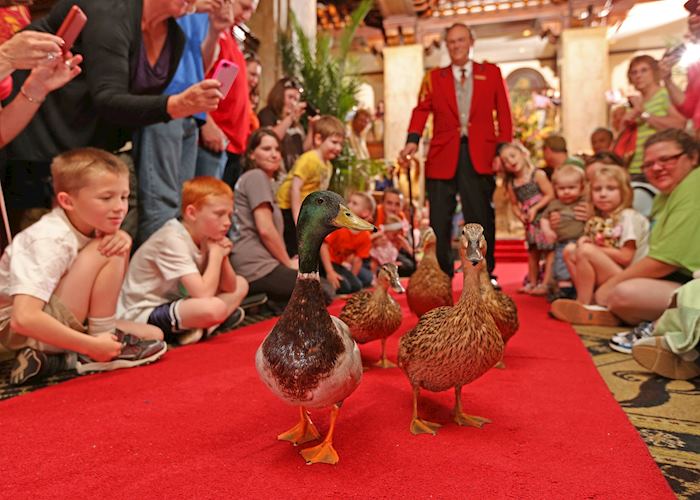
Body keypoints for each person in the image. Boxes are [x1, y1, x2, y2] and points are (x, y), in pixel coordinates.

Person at [5, 0, 224, 233]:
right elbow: (108, 98)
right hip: (40, 131)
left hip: (94, 143)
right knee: (40, 235)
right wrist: (175, 105)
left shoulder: (175, 37)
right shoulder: (109, 8)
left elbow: (134, 105)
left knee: (114, 238)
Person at [0, 148, 166, 386]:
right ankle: (88, 351)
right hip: (20, 332)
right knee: (107, 249)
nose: (120, 207)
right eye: (106, 198)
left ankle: (59, 359)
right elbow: (23, 318)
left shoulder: (94, 226)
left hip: (52, 321)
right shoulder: (50, 238)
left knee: (153, 335)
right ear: (67, 201)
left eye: (123, 197)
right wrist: (93, 345)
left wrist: (124, 239)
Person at [398, 22, 512, 281]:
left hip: (479, 156)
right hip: (442, 155)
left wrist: (502, 150)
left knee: (479, 218)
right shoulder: (434, 78)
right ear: (446, 46)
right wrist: (412, 140)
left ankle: (480, 273)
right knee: (439, 219)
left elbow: (504, 114)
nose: (456, 46)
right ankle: (441, 275)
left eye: (461, 40)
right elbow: (421, 110)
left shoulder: (491, 73)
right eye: (451, 42)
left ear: (471, 42)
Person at [136, 0, 234, 244]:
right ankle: (156, 278)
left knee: (184, 205)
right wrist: (189, 6)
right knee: (161, 201)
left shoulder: (204, 10)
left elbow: (201, 63)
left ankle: (178, 275)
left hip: (193, 108)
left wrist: (214, 29)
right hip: (165, 100)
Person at [119, 176, 248, 345]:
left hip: (180, 303)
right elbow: (203, 294)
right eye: (219, 214)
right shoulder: (172, 238)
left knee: (241, 283)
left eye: (230, 215)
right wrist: (216, 256)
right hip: (143, 311)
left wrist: (222, 257)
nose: (227, 223)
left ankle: (201, 328)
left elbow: (230, 287)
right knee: (214, 308)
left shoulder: (207, 234)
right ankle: (204, 326)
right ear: (191, 213)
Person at [231, 128, 334, 307]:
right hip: (254, 266)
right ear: (251, 154)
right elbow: (265, 230)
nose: (274, 155)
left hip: (261, 264)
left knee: (320, 284)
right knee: (322, 289)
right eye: (266, 149)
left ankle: (273, 302)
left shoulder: (260, 181)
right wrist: (286, 263)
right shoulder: (256, 177)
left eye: (277, 149)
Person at [551, 165, 649, 322]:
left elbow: (625, 256)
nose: (603, 194)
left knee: (585, 251)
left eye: (611, 189)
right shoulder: (602, 218)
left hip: (629, 277)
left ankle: (584, 303)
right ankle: (590, 299)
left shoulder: (628, 216)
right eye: (597, 190)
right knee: (570, 250)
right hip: (613, 272)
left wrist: (592, 247)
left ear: (624, 192)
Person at [199, 0, 259, 190]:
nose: (247, 16)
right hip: (215, 141)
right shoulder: (210, 29)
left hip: (233, 144)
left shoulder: (231, 37)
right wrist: (204, 120)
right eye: (244, 7)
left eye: (252, 10)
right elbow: (197, 78)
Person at [276, 115, 344, 257]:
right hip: (287, 208)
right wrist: (297, 217)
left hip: (302, 209)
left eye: (341, 144)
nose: (338, 148)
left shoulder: (328, 165)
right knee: (293, 246)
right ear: (318, 139)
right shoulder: (309, 159)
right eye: (334, 142)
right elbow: (295, 188)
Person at [620, 55, 686, 181]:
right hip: (633, 167)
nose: (638, 76)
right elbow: (622, 136)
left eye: (644, 70)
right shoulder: (634, 102)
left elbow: (679, 125)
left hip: (660, 167)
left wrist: (644, 114)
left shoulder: (665, 94)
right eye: (634, 72)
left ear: (654, 72)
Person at [500, 142, 554, 296]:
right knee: (533, 251)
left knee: (548, 249)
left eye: (512, 156)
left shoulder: (537, 174)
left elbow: (550, 194)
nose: (510, 161)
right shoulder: (511, 183)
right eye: (505, 160)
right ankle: (532, 282)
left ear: (523, 154)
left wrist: (535, 208)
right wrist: (520, 215)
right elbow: (514, 204)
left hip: (544, 216)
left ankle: (545, 283)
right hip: (530, 221)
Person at [540, 165, 587, 300]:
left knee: (579, 266)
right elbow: (544, 218)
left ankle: (575, 289)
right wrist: (548, 231)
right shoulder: (555, 204)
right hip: (562, 242)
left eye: (571, 188)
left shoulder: (584, 202)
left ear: (581, 188)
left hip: (580, 241)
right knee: (560, 265)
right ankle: (564, 290)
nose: (566, 192)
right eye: (562, 188)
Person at [258, 77, 314, 175]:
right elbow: (272, 137)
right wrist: (291, 117)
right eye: (290, 97)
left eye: (296, 99)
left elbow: (304, 150)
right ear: (279, 95)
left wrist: (312, 128)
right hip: (277, 173)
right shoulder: (267, 114)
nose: (293, 103)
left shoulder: (296, 124)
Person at [321, 191, 374, 294]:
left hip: (337, 263)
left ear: (365, 213)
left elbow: (358, 260)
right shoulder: (338, 224)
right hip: (323, 261)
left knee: (356, 286)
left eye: (354, 203)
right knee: (344, 287)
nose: (348, 205)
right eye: (349, 202)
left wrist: (351, 278)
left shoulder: (365, 235)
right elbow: (323, 246)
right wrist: (330, 272)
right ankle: (321, 279)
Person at [373, 187, 415, 276]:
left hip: (392, 252)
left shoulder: (401, 217)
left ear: (402, 206)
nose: (393, 208)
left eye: (397, 204)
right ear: (382, 203)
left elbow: (402, 241)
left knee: (410, 265)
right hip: (373, 254)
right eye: (389, 203)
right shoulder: (374, 215)